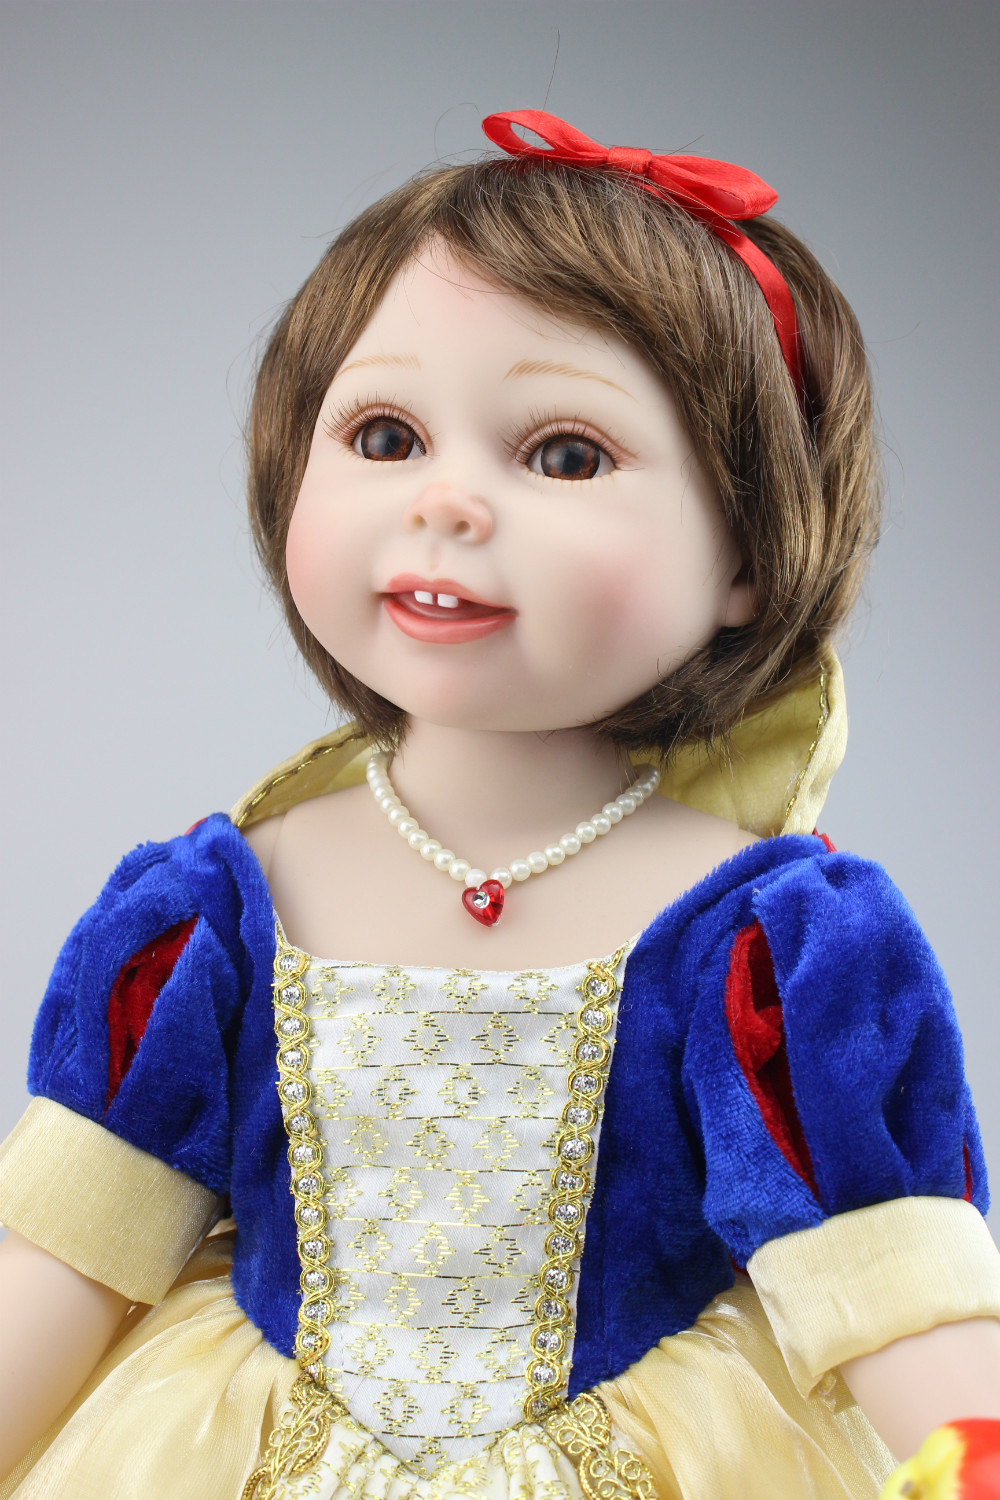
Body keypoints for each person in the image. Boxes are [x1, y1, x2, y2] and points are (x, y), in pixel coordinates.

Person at [0, 110, 998, 1500]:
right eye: (386, 434)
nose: (450, 503)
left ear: (748, 556)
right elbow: (68, 1256)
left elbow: (891, 1286)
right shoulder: (208, 917)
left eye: (566, 455)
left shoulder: (774, 948)